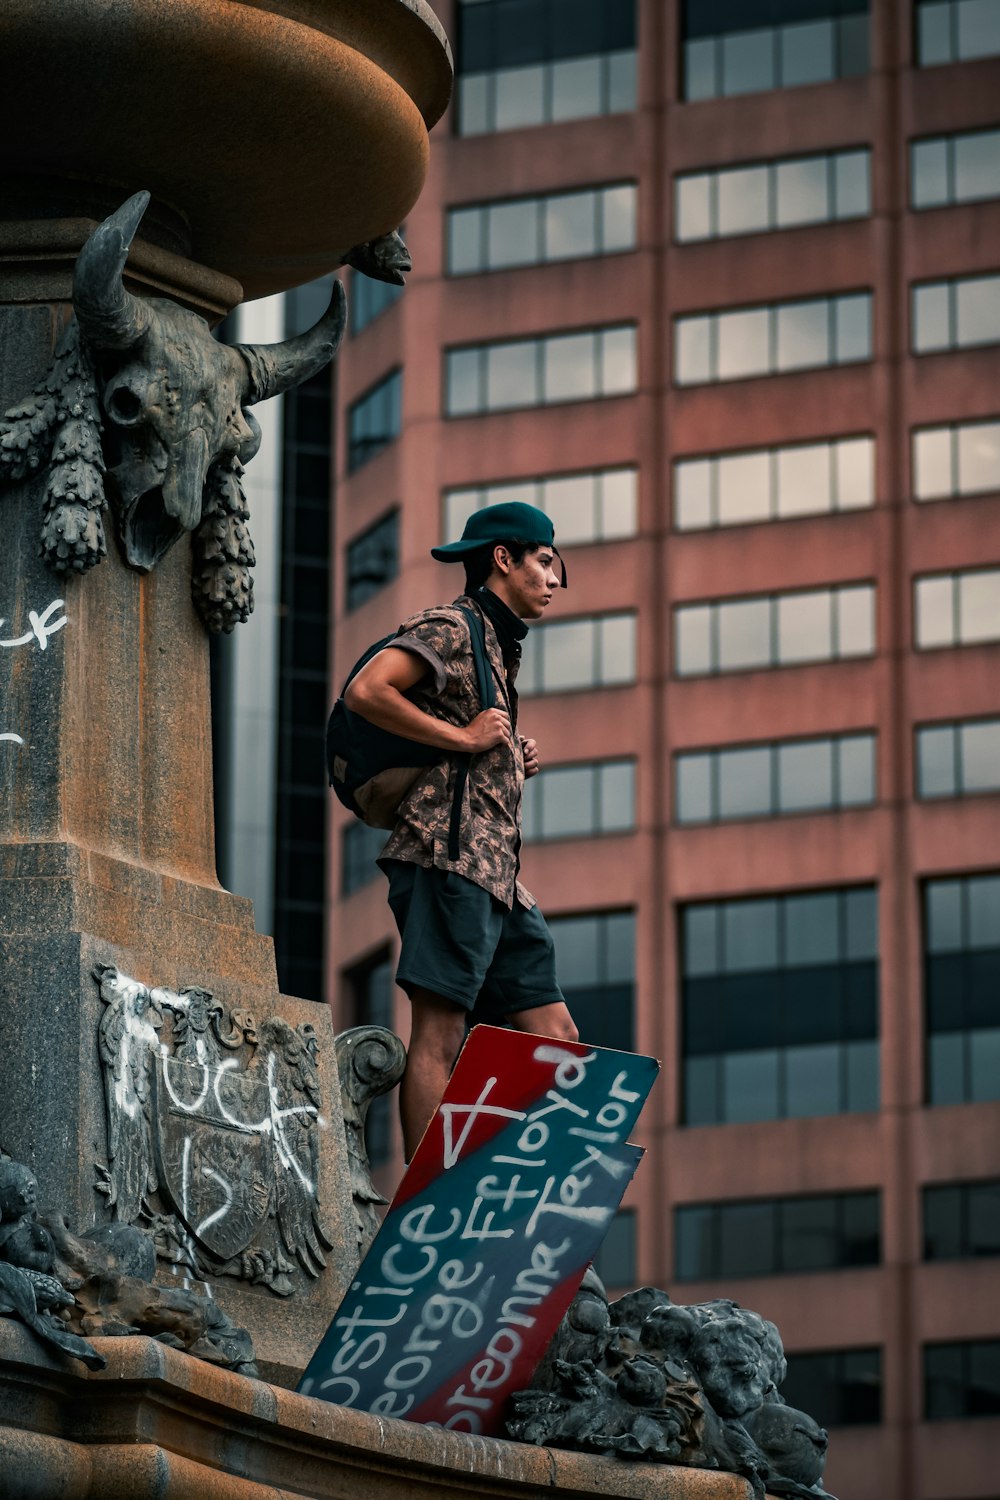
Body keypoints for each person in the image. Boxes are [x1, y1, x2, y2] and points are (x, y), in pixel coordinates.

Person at [344, 501, 579, 1159]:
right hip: (447, 863)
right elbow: (368, 691)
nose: (554, 576)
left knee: (555, 1036)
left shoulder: (498, 648)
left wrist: (506, 756)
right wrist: (466, 736)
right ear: (503, 559)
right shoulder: (451, 625)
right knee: (441, 1036)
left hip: (498, 877)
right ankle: (426, 1210)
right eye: (544, 560)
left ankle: (514, 1197)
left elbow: (469, 753)